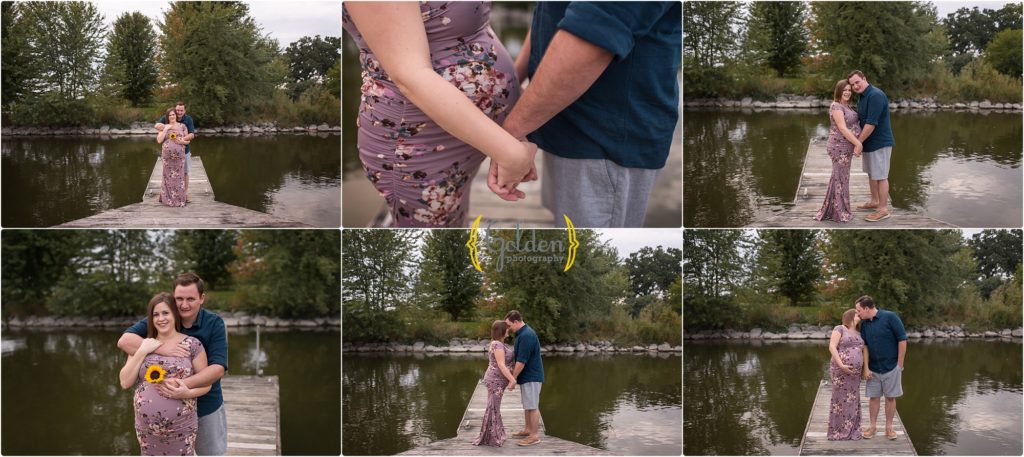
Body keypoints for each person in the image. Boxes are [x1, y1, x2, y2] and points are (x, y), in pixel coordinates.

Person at [342, 2, 539, 227]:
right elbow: (410, 76)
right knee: (433, 238)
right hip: (420, 141)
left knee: (455, 225)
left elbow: (470, 26)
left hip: (466, 132)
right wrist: (510, 153)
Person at [492, 2, 682, 227]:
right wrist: (513, 84)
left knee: (590, 240)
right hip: (560, 120)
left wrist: (508, 136)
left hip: (603, 139)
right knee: (568, 232)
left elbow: (596, 29)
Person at [118, 273, 229, 455]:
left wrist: (182, 387)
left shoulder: (213, 324)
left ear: (201, 298)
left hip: (205, 405)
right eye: (179, 299)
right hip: (150, 426)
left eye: (190, 299)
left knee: (211, 453)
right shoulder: (161, 318)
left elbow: (217, 370)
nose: (184, 305)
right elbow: (125, 341)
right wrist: (162, 348)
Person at [855, 295, 908, 441]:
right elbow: (865, 346)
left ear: (867, 308)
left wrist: (899, 365)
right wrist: (866, 368)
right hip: (873, 368)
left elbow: (902, 340)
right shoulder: (864, 324)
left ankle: (889, 427)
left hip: (891, 367)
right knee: (874, 398)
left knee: (890, 398)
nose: (857, 313)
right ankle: (873, 426)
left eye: (859, 310)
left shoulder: (890, 317)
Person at [847, 71, 895, 222]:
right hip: (869, 142)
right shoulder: (863, 96)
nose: (855, 86)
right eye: (852, 84)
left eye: (857, 82)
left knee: (881, 176)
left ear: (865, 78)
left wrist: (858, 142)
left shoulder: (875, 95)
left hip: (880, 143)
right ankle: (875, 201)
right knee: (872, 174)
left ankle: (883, 209)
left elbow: (871, 123)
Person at [814, 79, 863, 222]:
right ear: (839, 91)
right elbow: (842, 128)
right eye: (844, 90)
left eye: (849, 90)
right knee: (840, 178)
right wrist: (858, 143)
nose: (847, 92)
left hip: (846, 147)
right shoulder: (836, 106)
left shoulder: (846, 105)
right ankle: (838, 212)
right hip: (838, 147)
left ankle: (833, 209)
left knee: (840, 178)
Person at [472, 320, 518, 447]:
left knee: (494, 407)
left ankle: (494, 434)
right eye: (506, 329)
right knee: (493, 407)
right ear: (502, 330)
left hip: (496, 379)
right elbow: (501, 365)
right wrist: (512, 379)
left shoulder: (497, 343)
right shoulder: (497, 345)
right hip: (495, 380)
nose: (508, 330)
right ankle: (491, 437)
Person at [827, 309, 869, 440]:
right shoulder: (840, 328)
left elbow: (864, 350)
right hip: (840, 370)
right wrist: (841, 365)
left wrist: (865, 368)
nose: (859, 315)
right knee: (840, 399)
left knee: (853, 399)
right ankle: (838, 430)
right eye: (857, 313)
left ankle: (852, 428)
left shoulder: (859, 333)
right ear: (850, 316)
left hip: (855, 373)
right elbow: (832, 347)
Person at [504, 310, 544, 446]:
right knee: (528, 405)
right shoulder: (522, 334)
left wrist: (513, 378)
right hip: (527, 376)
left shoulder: (527, 335)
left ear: (516, 322)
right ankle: (528, 430)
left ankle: (534, 436)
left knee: (532, 406)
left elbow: (521, 361)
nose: (508, 328)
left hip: (532, 376)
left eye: (509, 325)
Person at [156, 102, 196, 203]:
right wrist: (166, 128)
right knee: (167, 174)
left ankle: (184, 194)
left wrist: (182, 140)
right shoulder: (166, 121)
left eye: (181, 110)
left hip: (183, 153)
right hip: (168, 156)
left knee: (184, 173)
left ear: (184, 110)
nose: (178, 112)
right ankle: (165, 195)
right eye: (177, 110)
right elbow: (156, 127)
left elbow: (191, 135)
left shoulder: (187, 121)